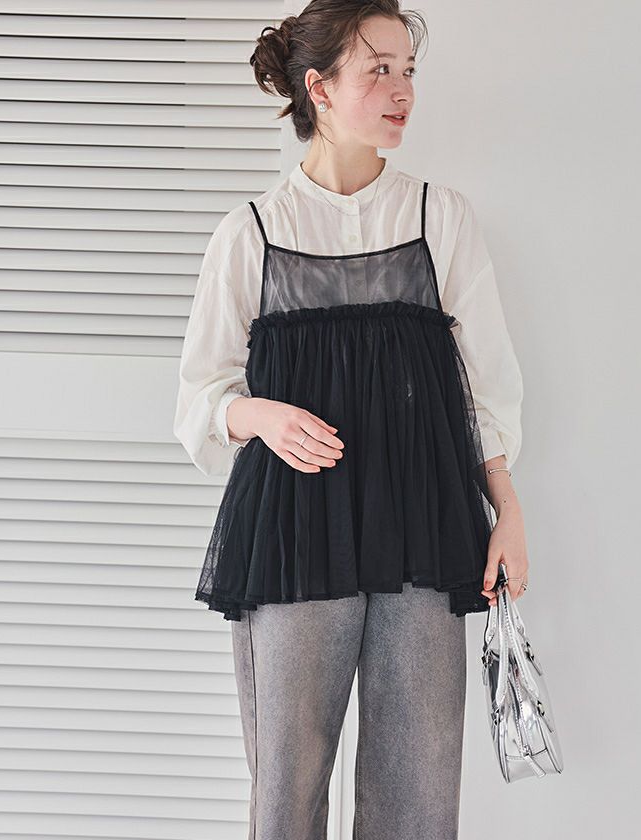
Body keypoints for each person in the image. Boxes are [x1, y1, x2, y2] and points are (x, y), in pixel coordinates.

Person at [173, 2, 529, 838]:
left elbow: (487, 387)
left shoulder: (439, 219)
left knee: (419, 793)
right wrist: (258, 414)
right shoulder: (253, 233)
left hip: (423, 526)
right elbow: (199, 400)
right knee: (286, 791)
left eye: (409, 71)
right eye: (380, 70)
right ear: (320, 87)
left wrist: (507, 510)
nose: (403, 91)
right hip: (294, 533)